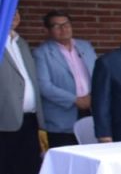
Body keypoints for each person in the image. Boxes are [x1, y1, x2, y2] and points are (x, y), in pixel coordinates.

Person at [0, 10, 48, 174]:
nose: (14, 16)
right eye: (9, 11)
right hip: (4, 119)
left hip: (29, 118)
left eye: (17, 13)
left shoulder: (22, 43)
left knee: (27, 169)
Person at [33, 10, 97, 148]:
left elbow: (98, 75)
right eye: (57, 26)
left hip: (91, 109)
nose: (64, 29)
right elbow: (44, 86)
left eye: (66, 24)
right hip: (62, 117)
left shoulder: (85, 46)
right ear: (48, 31)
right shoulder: (41, 53)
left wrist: (92, 96)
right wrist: (75, 100)